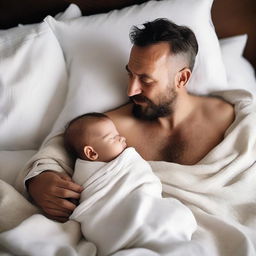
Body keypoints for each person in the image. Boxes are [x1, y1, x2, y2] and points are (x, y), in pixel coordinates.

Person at [24, 18, 235, 222]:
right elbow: (54, 153)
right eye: (130, 75)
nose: (131, 90)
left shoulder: (232, 118)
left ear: (182, 78)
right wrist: (38, 182)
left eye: (145, 79)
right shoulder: (107, 128)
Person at [63, 112, 197, 255]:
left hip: (145, 210)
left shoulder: (126, 163)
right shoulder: (84, 178)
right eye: (113, 137)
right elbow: (91, 205)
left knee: (167, 220)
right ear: (91, 153)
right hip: (114, 222)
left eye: (118, 134)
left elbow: (144, 181)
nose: (122, 138)